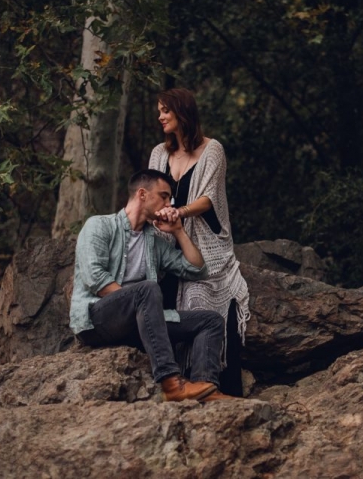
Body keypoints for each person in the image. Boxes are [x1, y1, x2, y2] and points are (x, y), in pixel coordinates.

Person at [69, 169, 233, 402]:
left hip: (140, 322)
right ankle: (171, 383)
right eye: (164, 196)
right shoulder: (99, 226)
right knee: (147, 289)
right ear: (143, 194)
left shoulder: (153, 242)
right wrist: (139, 305)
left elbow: (197, 270)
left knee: (210, 320)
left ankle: (205, 387)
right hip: (97, 319)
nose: (169, 204)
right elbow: (97, 279)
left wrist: (178, 231)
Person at [149, 88, 250, 397]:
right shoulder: (158, 153)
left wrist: (179, 212)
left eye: (165, 110)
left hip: (205, 243)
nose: (160, 116)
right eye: (159, 111)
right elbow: (151, 194)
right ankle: (176, 385)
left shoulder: (212, 150)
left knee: (200, 297)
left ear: (182, 112)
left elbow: (207, 199)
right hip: (166, 243)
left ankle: (214, 385)